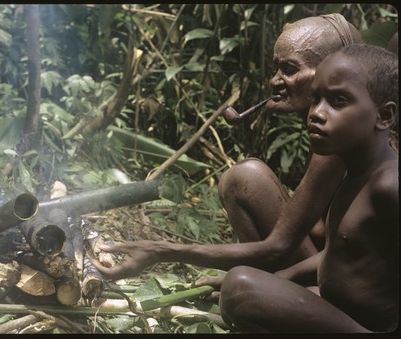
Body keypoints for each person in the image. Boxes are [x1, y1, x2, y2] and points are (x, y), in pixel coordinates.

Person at [91, 14, 363, 283]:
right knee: (246, 179)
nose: (274, 81)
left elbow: (289, 244)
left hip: (340, 286)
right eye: (276, 69)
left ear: (332, 73)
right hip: (324, 267)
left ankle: (276, 292)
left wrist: (161, 251)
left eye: (290, 70)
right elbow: (320, 229)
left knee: (245, 180)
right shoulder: (334, 132)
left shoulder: (339, 139)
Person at [219, 43, 398, 332]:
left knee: (241, 287)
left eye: (338, 101)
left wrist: (162, 250)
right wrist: (279, 278)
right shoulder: (354, 169)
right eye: (316, 100)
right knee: (249, 288)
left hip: (366, 327)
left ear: (384, 116)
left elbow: (278, 246)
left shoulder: (389, 184)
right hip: (337, 305)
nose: (316, 112)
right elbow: (339, 251)